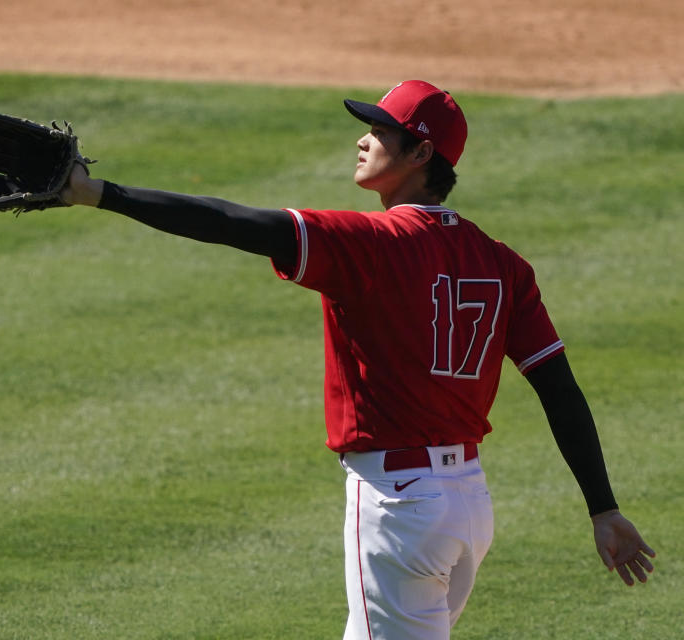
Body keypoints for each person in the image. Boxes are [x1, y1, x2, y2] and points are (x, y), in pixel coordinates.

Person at [58, 80, 656, 639]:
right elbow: (559, 389)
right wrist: (602, 506)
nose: (363, 138)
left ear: (421, 155)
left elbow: (228, 222)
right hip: (468, 505)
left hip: (400, 507)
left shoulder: (370, 245)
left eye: (380, 130)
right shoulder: (503, 264)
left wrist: (97, 193)